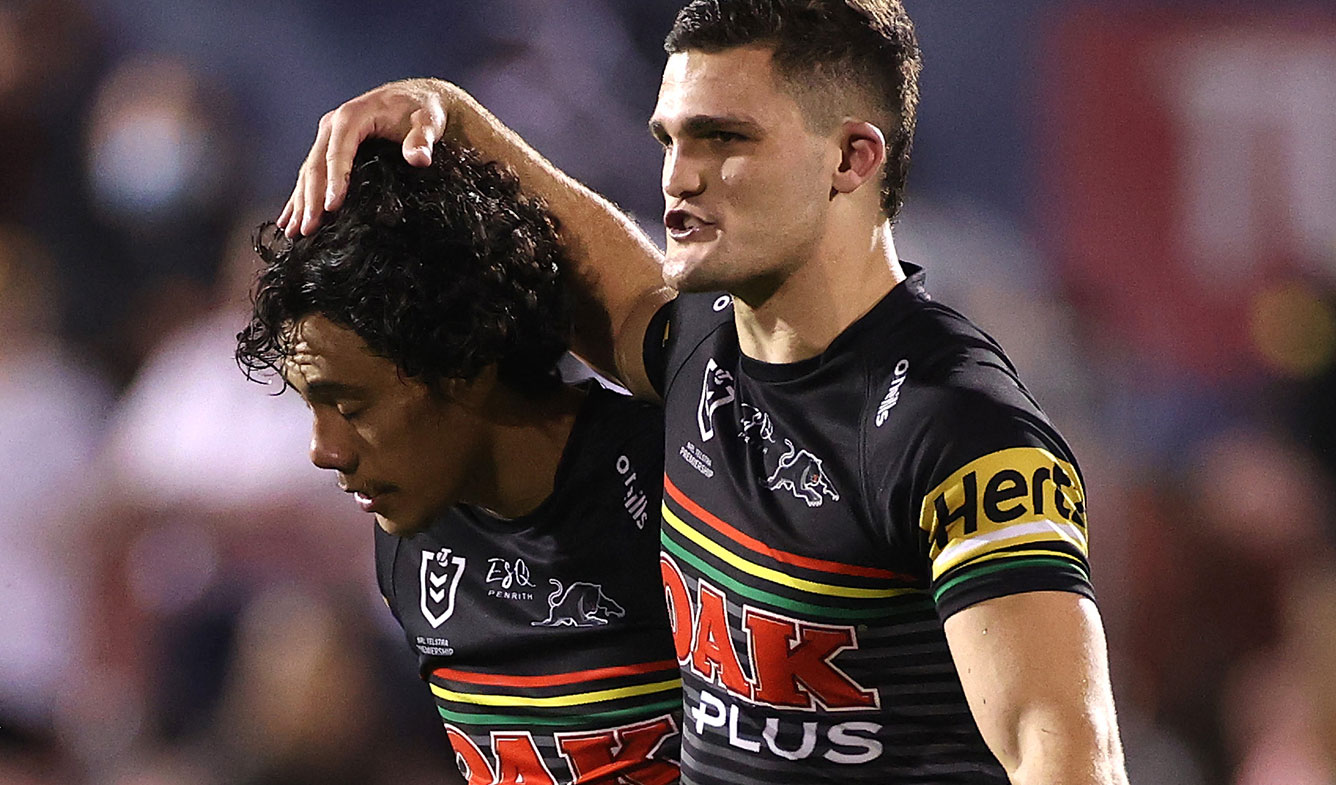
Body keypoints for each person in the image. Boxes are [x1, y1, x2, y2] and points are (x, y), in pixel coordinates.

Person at [279, 2, 1130, 783]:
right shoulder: (699, 355)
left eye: (725, 140)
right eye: (670, 141)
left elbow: (1061, 748)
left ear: (851, 157)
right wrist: (447, 113)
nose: (679, 177)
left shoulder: (953, 424)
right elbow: (599, 278)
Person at [237, 139, 681, 784]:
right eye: (311, 408)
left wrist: (458, 115)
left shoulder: (680, 479)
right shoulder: (409, 544)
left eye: (352, 406)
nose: (323, 452)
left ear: (465, 362)